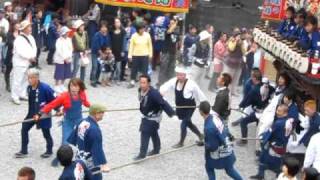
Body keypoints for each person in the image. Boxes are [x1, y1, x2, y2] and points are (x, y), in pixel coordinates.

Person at [36, 78, 90, 166]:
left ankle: (83, 158)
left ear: (79, 87)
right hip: (67, 121)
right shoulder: (64, 96)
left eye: (75, 86)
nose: (73, 88)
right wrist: (40, 113)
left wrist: (93, 108)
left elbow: (86, 103)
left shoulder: (82, 94)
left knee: (82, 139)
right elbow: (52, 104)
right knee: (65, 142)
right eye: (72, 85)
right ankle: (59, 157)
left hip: (79, 120)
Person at [160, 66, 206, 148]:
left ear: (185, 75)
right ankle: (200, 135)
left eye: (182, 75)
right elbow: (165, 86)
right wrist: (161, 92)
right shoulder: (174, 81)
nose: (180, 77)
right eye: (178, 75)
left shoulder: (191, 84)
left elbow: (200, 94)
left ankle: (181, 142)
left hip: (189, 107)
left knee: (184, 124)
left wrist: (204, 105)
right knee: (188, 123)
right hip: (180, 107)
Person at [134, 75, 177, 160]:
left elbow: (163, 103)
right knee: (153, 132)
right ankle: (156, 149)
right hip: (147, 115)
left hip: (153, 117)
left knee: (145, 132)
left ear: (149, 83)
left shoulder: (154, 94)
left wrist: (172, 114)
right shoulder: (140, 90)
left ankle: (142, 154)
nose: (142, 85)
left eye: (144, 83)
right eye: (141, 82)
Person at [15, 68, 55, 158]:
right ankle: (24, 151)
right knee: (24, 128)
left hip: (44, 114)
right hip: (32, 113)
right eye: (28, 78)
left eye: (31, 78)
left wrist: (59, 109)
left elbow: (54, 100)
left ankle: (49, 151)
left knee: (46, 133)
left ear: (37, 78)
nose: (29, 80)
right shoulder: (29, 88)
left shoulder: (45, 88)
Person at [199, 101, 242, 180]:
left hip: (220, 153)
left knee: (209, 167)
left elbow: (213, 147)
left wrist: (204, 143)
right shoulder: (215, 116)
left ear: (201, 112)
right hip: (228, 148)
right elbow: (224, 128)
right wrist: (230, 135)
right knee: (229, 170)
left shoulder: (209, 128)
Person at [68, 104, 110, 179]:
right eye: (102, 112)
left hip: (79, 157)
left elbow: (73, 138)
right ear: (96, 114)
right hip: (90, 160)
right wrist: (104, 164)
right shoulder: (94, 130)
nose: (103, 114)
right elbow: (97, 149)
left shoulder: (81, 121)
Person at [251, 104, 290, 179]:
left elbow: (270, 132)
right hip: (281, 145)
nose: (277, 112)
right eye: (277, 110)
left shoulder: (278, 123)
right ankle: (260, 175)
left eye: (279, 111)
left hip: (275, 146)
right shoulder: (287, 121)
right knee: (263, 158)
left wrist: (262, 138)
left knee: (274, 165)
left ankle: (278, 177)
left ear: (285, 113)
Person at [231, 70, 263, 146]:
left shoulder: (254, 89)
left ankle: (244, 140)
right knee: (258, 125)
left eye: (252, 76)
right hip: (262, 109)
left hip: (259, 111)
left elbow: (247, 99)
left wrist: (240, 106)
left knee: (244, 122)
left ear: (255, 78)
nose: (251, 78)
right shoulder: (264, 86)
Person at [11, 20, 37, 105]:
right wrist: (30, 57)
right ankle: (15, 96)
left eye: (30, 26)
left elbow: (34, 48)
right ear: (24, 29)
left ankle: (22, 93)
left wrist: (33, 56)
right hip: (20, 63)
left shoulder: (31, 37)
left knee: (26, 79)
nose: (30, 28)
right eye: (28, 27)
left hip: (28, 62)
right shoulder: (19, 39)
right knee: (17, 80)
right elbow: (20, 51)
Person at [127, 23, 153, 88]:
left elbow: (150, 45)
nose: (142, 30)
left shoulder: (147, 35)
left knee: (145, 70)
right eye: (141, 29)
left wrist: (150, 55)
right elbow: (131, 46)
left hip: (145, 55)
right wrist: (130, 56)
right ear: (138, 29)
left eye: (143, 28)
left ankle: (144, 83)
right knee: (134, 69)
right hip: (135, 55)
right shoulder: (134, 36)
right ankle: (132, 82)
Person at [157, 17, 179, 87]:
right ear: (169, 24)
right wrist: (175, 25)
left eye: (173, 23)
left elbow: (177, 42)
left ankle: (169, 83)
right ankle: (160, 83)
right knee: (163, 68)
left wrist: (177, 52)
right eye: (171, 23)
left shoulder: (176, 32)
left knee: (171, 68)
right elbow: (169, 32)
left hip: (173, 52)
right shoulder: (165, 30)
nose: (173, 25)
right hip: (165, 52)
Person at [224, 30, 245, 96]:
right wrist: (235, 41)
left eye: (239, 35)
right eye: (237, 35)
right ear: (235, 36)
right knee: (229, 78)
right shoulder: (231, 41)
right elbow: (231, 48)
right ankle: (228, 91)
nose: (239, 37)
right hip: (231, 63)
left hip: (239, 63)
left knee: (236, 78)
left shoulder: (241, 43)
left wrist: (242, 44)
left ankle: (233, 91)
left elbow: (244, 52)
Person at [90, 21, 110, 87]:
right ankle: (92, 81)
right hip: (95, 52)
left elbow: (107, 44)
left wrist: (107, 52)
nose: (104, 29)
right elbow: (96, 46)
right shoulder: (97, 35)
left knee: (99, 67)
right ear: (100, 28)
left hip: (101, 53)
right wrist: (102, 54)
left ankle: (96, 79)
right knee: (95, 66)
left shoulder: (106, 35)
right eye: (102, 27)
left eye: (105, 27)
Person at [53, 26, 73, 93]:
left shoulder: (69, 39)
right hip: (60, 59)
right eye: (67, 32)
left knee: (65, 73)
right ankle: (56, 85)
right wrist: (64, 58)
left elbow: (71, 49)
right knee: (59, 73)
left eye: (68, 32)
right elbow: (59, 50)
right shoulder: (59, 40)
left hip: (68, 58)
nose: (68, 33)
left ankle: (62, 84)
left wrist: (69, 56)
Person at [3, 21, 19, 92]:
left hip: (19, 56)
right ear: (13, 26)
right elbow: (10, 43)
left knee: (17, 71)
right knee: (8, 71)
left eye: (18, 24)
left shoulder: (21, 34)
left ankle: (16, 85)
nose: (18, 26)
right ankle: (8, 85)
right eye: (16, 25)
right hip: (10, 55)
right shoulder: (9, 34)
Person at [110, 18, 126, 85]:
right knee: (112, 65)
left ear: (120, 23)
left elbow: (124, 42)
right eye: (116, 22)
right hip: (112, 51)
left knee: (118, 67)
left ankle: (118, 79)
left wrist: (123, 50)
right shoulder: (111, 31)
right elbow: (110, 41)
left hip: (119, 52)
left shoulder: (123, 31)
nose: (117, 23)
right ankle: (111, 78)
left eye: (118, 22)